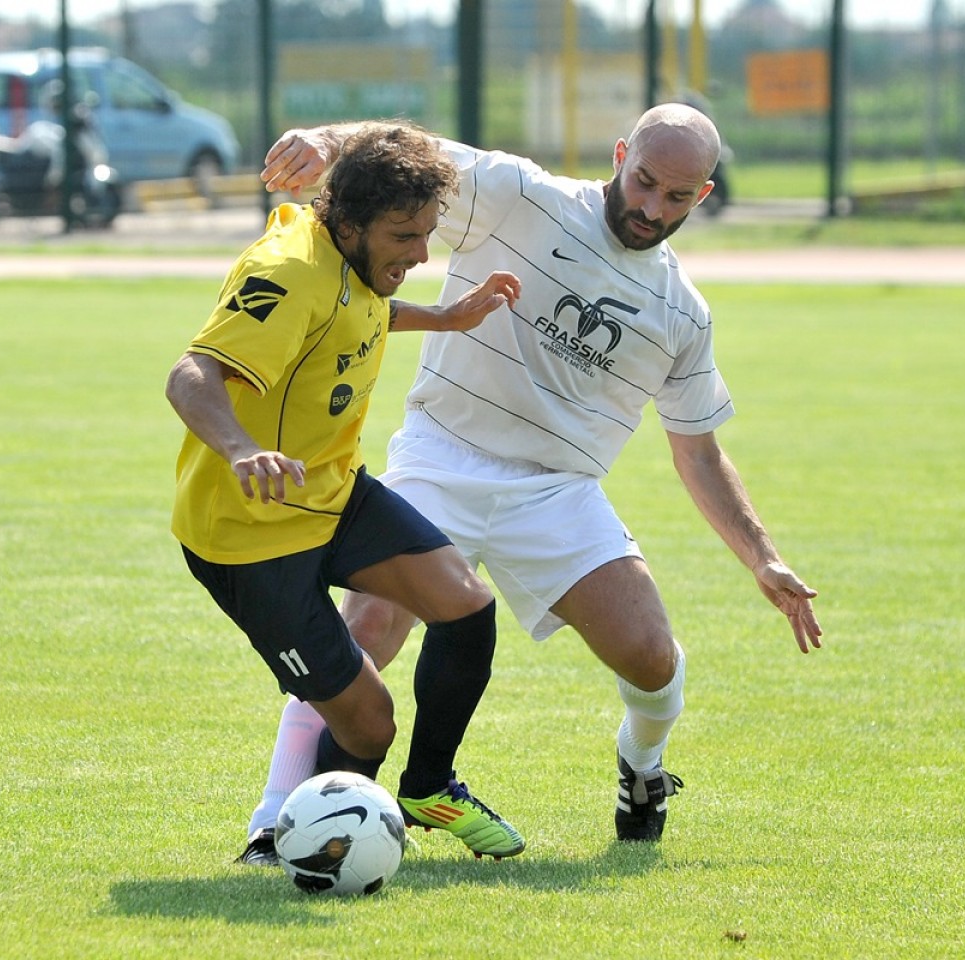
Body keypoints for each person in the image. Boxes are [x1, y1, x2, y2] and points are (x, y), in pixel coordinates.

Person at [252, 103, 824, 845]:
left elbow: (699, 452)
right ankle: (275, 824)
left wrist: (763, 556)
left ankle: (642, 765)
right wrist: (321, 140)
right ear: (620, 154)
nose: (652, 208)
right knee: (365, 632)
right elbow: (405, 152)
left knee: (652, 660)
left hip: (557, 491)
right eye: (643, 181)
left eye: (677, 197)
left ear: (703, 195)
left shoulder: (683, 314)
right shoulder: (520, 194)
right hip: (441, 454)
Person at [165, 122, 527, 866]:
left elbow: (362, 312)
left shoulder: (354, 263)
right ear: (348, 222)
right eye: (404, 235)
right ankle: (307, 849)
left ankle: (427, 788)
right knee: (370, 725)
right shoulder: (290, 267)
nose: (421, 254)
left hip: (333, 494)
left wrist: (449, 316)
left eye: (428, 233)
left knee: (466, 608)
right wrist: (241, 449)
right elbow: (190, 374)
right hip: (251, 535)